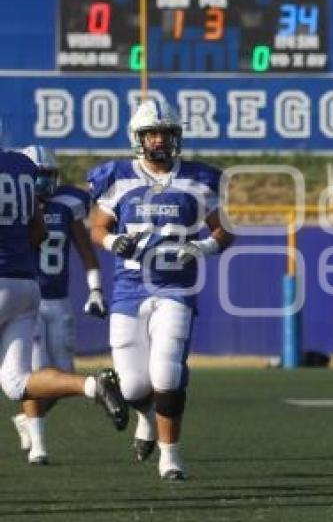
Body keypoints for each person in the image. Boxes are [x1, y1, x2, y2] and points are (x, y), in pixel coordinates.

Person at [88, 98, 234, 481]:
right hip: (129, 289)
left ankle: (171, 457)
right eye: (151, 134)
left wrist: (201, 246)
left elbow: (225, 230)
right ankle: (145, 419)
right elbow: (98, 227)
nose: (158, 141)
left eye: (165, 133)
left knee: (166, 376)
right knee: (134, 384)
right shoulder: (117, 177)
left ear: (176, 136)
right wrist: (109, 243)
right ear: (137, 138)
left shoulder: (198, 179)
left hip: (176, 289)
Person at [0, 148, 128, 445]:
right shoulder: (22, 166)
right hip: (26, 287)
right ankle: (93, 385)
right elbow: (39, 232)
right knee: (17, 382)